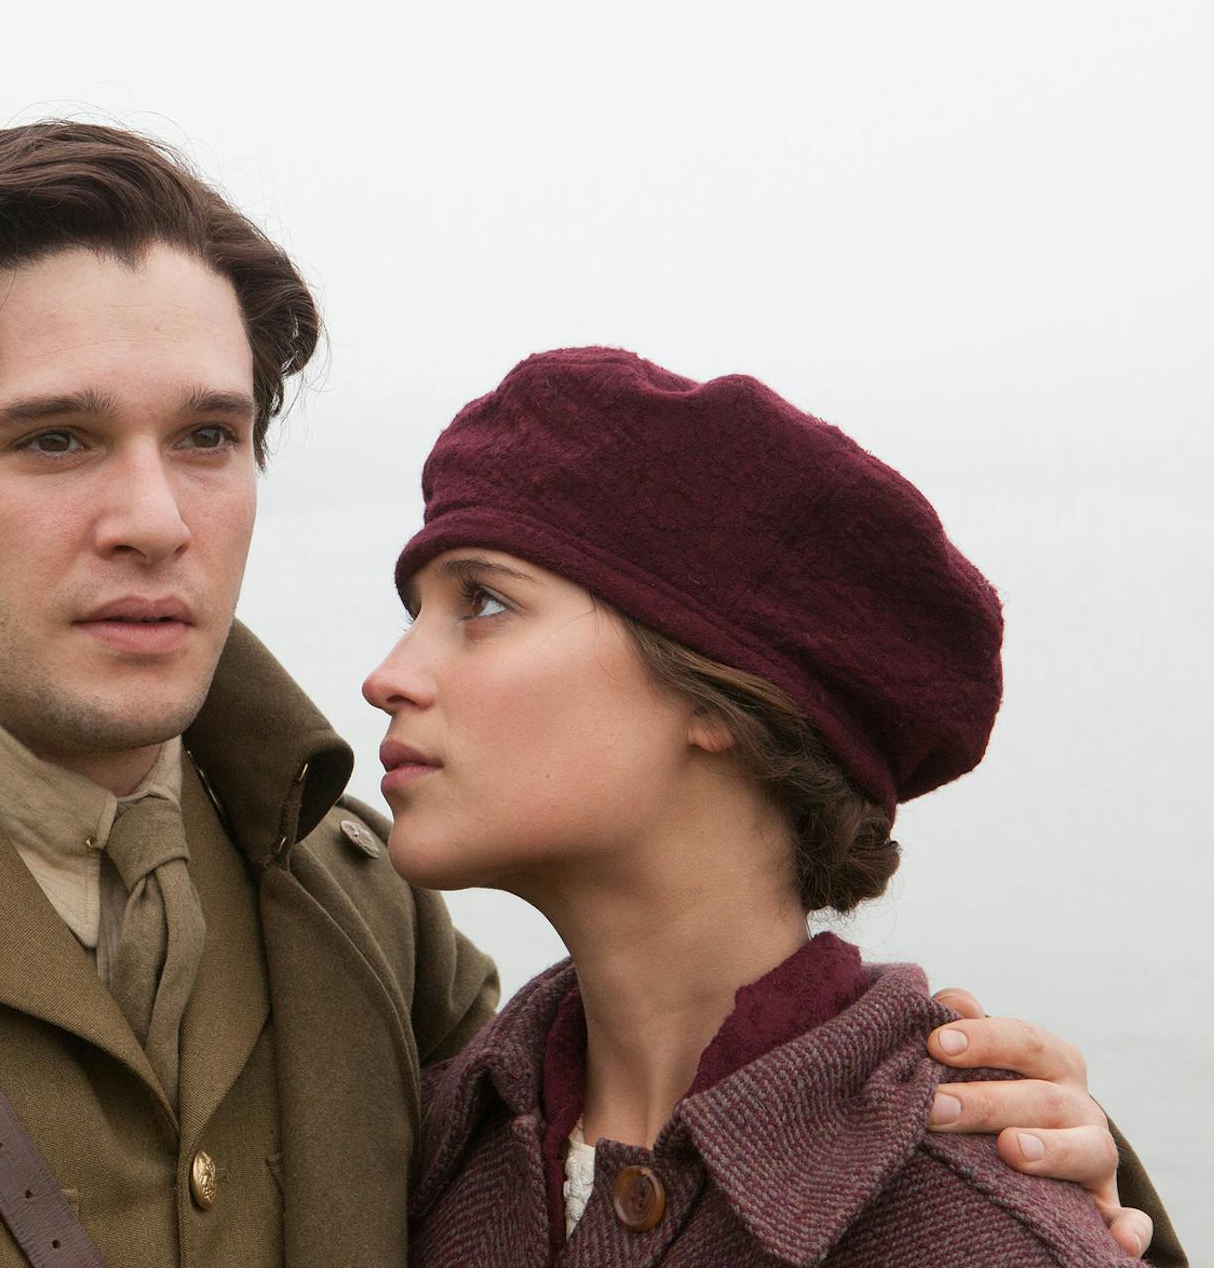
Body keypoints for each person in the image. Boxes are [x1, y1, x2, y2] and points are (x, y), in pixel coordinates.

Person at [0, 124, 1173, 1267]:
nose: (157, 519)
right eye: (61, 438)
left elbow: (716, 1142)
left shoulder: (370, 926)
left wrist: (1070, 1186)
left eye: (215, 437)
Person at [378, 347, 1185, 1264]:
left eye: (481, 602)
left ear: (717, 696)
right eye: (413, 613)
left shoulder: (985, 1234)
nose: (388, 675)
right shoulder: (416, 1150)